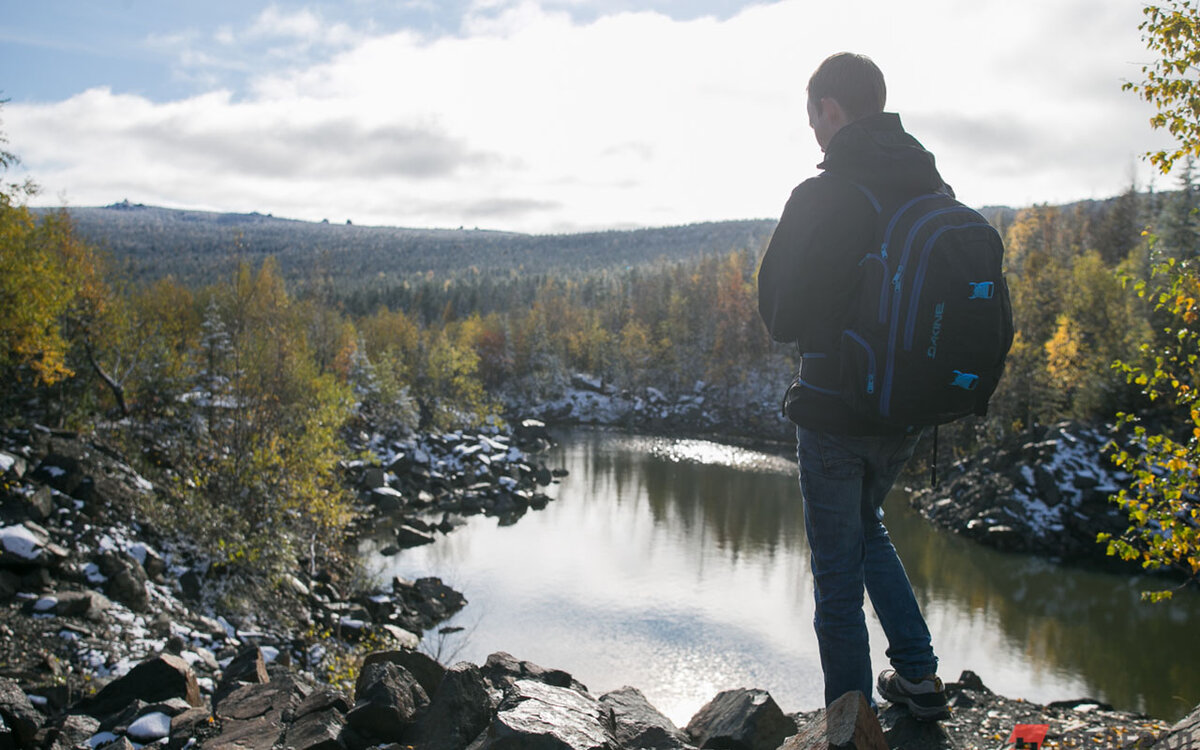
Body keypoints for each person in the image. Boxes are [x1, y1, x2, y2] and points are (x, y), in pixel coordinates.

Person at [756, 52, 951, 721]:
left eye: (812, 116)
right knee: (870, 529)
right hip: (907, 411)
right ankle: (919, 677)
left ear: (829, 108)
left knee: (836, 575)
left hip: (835, 408)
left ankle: (850, 726)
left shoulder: (824, 194)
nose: (812, 131)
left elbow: (779, 315)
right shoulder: (931, 185)